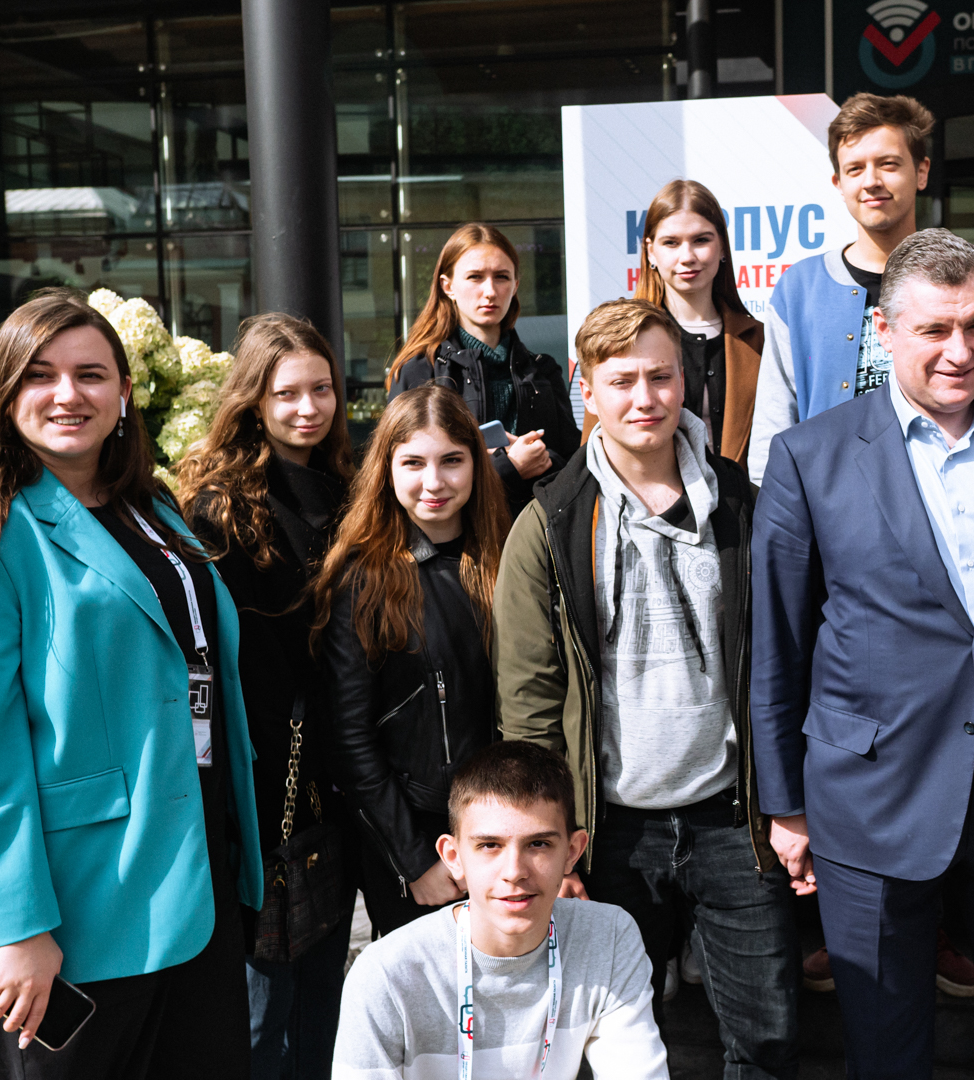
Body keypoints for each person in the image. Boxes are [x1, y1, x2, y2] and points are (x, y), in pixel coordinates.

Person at [751, 229, 974, 1079]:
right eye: (935, 330)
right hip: (871, 800)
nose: (961, 351)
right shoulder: (808, 456)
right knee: (887, 1052)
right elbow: (777, 645)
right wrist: (786, 805)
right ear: (884, 331)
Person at [0, 289, 261, 1079]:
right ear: (5, 393)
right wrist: (16, 925)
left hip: (195, 869)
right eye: (40, 375)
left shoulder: (152, 508)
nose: (68, 394)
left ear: (123, 393)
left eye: (91, 374)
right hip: (77, 903)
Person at [497, 298, 798, 1078]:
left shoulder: (742, 505)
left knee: (767, 1039)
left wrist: (788, 804)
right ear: (587, 389)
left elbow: (781, 663)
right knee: (616, 1049)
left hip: (732, 819)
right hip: (610, 832)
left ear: (685, 381)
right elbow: (530, 705)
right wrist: (551, 843)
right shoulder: (551, 521)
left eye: (660, 377)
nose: (645, 398)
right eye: (622, 380)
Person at [178, 313, 357, 1080]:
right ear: (253, 399)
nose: (307, 408)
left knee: (323, 994)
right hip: (261, 775)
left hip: (337, 768)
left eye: (321, 389)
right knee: (262, 1005)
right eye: (287, 393)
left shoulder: (349, 487)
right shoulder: (219, 505)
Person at [332, 741, 670, 1080]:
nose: (514, 871)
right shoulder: (386, 975)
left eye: (538, 844)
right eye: (490, 845)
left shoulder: (609, 937)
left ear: (572, 852)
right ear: (453, 857)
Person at [746, 92, 974, 486]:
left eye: (888, 164)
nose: (871, 181)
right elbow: (774, 422)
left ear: (922, 172)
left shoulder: (973, 285)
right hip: (829, 503)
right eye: (855, 168)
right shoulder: (799, 290)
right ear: (838, 183)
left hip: (954, 492)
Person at [315, 385, 510, 946]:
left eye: (452, 460)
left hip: (505, 827)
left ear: (476, 463)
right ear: (387, 468)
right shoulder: (364, 578)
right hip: (419, 840)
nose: (434, 482)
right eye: (414, 463)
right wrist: (413, 858)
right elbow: (349, 738)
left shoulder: (507, 554)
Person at [389, 222, 581, 521]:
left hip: (536, 530)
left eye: (501, 277)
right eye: (475, 277)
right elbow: (401, 473)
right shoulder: (421, 371)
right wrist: (508, 466)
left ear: (515, 285)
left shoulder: (542, 370)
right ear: (448, 286)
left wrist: (541, 458)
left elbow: (573, 464)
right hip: (456, 536)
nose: (490, 291)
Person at [604, 178, 765, 465]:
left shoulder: (760, 340)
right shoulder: (617, 339)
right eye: (671, 243)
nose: (687, 256)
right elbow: (596, 447)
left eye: (701, 240)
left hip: (744, 493)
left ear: (722, 247)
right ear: (650, 251)